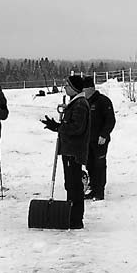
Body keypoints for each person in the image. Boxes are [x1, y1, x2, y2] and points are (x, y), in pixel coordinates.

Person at [40, 75, 90, 229]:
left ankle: (75, 219)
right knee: (70, 184)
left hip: (73, 151)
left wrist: (58, 127)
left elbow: (76, 128)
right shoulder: (75, 103)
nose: (65, 87)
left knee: (73, 185)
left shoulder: (80, 104)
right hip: (69, 149)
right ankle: (72, 215)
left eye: (67, 85)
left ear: (74, 88)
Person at [82, 76, 116, 200]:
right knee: (90, 164)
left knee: (99, 165)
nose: (82, 91)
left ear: (91, 88)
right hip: (87, 140)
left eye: (84, 89)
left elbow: (110, 120)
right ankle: (93, 187)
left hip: (100, 140)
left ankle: (99, 191)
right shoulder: (84, 102)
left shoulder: (103, 101)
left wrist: (104, 134)